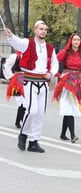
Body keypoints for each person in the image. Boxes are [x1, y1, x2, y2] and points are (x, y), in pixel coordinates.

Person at [4, 20, 59, 153]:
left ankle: (34, 141)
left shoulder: (50, 48)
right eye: (41, 29)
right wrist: (10, 35)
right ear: (35, 30)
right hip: (29, 81)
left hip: (43, 83)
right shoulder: (27, 43)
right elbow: (15, 41)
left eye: (45, 29)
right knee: (32, 110)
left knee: (40, 113)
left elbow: (55, 63)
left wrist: (51, 73)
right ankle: (23, 134)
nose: (43, 31)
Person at [54, 33, 81, 143]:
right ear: (71, 41)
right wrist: (59, 75)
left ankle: (63, 134)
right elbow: (52, 62)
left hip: (78, 84)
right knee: (69, 108)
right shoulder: (65, 52)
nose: (76, 41)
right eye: (74, 39)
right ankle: (73, 135)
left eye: (78, 39)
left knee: (69, 108)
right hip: (66, 83)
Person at [3, 51, 26, 129]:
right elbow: (6, 66)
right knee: (21, 101)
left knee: (26, 102)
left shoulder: (30, 55)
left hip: (27, 78)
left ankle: (19, 121)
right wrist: (10, 76)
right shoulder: (15, 56)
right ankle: (21, 121)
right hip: (18, 78)